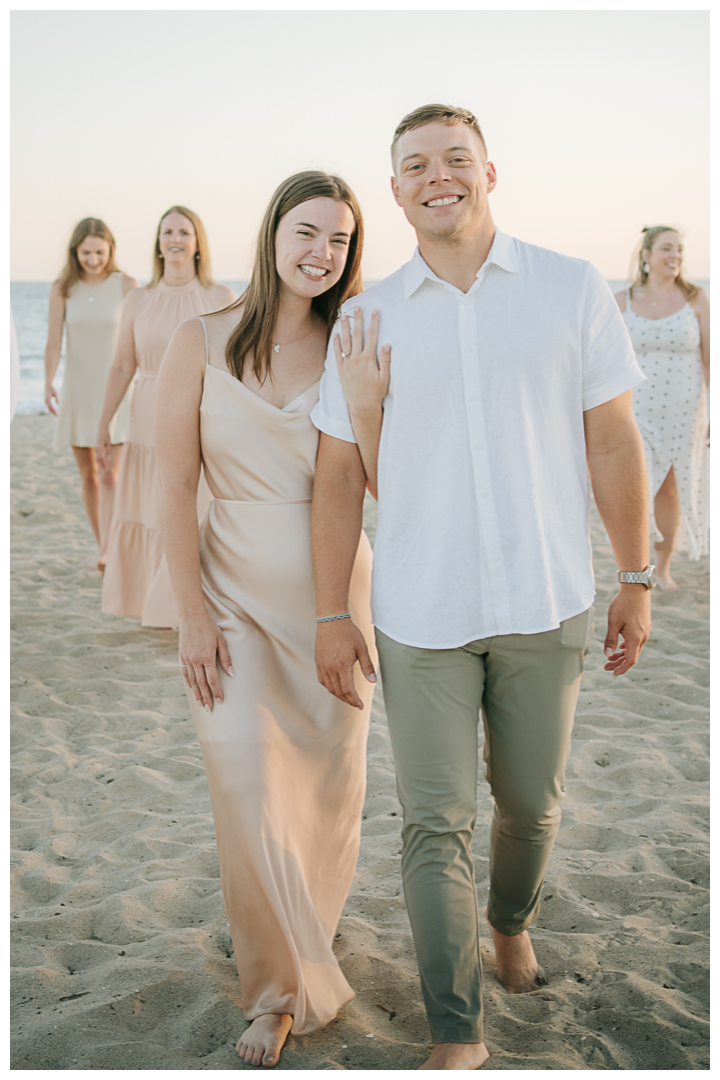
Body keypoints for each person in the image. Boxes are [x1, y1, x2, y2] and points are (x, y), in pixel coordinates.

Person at [311, 104, 655, 1071]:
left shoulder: (569, 287)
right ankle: (455, 1029)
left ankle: (511, 919)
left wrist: (637, 577)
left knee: (532, 806)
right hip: (421, 612)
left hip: (548, 599)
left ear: (489, 171)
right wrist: (333, 612)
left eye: (454, 159)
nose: (437, 177)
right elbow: (339, 473)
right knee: (432, 822)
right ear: (395, 190)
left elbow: (614, 437)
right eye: (415, 165)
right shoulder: (366, 314)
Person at [155, 172, 383, 1068]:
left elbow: (385, 477)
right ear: (271, 233)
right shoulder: (199, 340)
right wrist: (191, 615)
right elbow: (172, 484)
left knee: (323, 796)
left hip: (334, 599)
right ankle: (280, 992)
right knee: (247, 782)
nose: (321, 252)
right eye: (307, 231)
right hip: (232, 598)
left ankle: (297, 944)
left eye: (339, 240)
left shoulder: (354, 344)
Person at [96, 206, 234, 627]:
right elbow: (122, 365)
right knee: (149, 509)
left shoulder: (220, 298)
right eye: (168, 232)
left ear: (197, 243)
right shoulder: (139, 298)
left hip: (200, 417)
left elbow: (231, 371)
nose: (175, 239)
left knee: (193, 507)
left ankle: (194, 605)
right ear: (158, 242)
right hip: (145, 416)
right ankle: (150, 602)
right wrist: (103, 422)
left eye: (184, 232)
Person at [614, 226, 710, 590]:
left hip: (685, 411)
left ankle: (663, 569)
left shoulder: (695, 298)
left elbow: (710, 362)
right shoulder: (621, 300)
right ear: (647, 254)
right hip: (633, 408)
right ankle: (633, 565)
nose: (676, 256)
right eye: (667, 248)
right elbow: (601, 360)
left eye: (680, 250)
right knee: (633, 487)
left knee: (669, 490)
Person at [43, 218, 138, 569]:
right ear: (75, 251)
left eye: (100, 252)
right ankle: (103, 546)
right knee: (89, 476)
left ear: (110, 249)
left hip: (116, 391)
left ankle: (111, 550)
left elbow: (138, 340)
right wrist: (48, 381)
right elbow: (54, 342)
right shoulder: (62, 287)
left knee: (112, 473)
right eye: (86, 253)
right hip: (78, 390)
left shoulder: (127, 285)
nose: (94, 259)